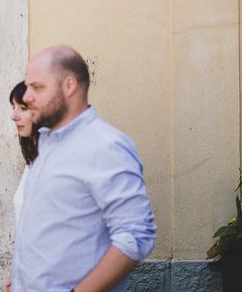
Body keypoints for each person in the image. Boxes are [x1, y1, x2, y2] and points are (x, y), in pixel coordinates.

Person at [12, 46, 156, 292]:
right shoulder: (48, 143)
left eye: (37, 88)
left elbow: (135, 235)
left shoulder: (105, 146)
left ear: (69, 86)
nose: (26, 97)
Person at [10, 81, 39, 226]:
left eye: (22, 108)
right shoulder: (33, 159)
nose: (14, 116)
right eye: (13, 107)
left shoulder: (60, 161)